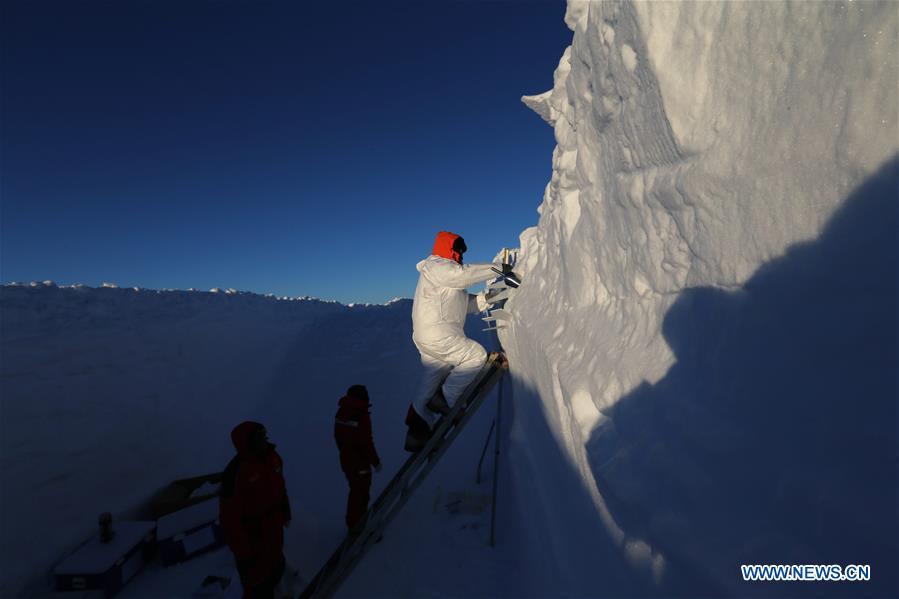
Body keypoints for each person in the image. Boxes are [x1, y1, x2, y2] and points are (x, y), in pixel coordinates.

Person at [405, 231, 502, 451]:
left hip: (429, 336)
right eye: (458, 249)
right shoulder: (437, 266)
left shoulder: (443, 276)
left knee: (432, 377)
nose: (460, 254)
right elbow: (461, 275)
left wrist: (488, 299)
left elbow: (463, 305)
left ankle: (418, 427)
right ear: (447, 248)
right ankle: (446, 399)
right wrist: (497, 267)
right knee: (475, 356)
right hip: (437, 333)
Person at [219, 422, 291, 599]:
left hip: (274, 525)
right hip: (254, 535)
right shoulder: (235, 474)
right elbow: (230, 521)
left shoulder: (272, 457)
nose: (265, 439)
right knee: (257, 581)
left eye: (264, 434)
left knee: (275, 566)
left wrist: (285, 510)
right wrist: (244, 554)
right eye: (260, 437)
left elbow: (281, 486)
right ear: (248, 443)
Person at [334, 384, 382, 533]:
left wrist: (345, 452)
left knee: (355, 491)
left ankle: (355, 524)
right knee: (360, 494)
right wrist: (375, 461)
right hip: (360, 462)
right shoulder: (361, 415)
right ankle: (357, 527)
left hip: (346, 460)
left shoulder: (341, 412)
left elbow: (337, 436)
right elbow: (366, 442)